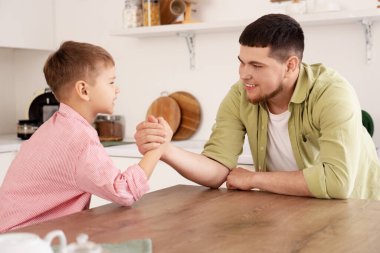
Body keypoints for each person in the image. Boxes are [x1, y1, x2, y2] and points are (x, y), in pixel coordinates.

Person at [135, 14, 380, 200]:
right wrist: (166, 150)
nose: (244, 75)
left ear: (291, 66)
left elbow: (336, 182)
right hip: (289, 207)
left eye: (257, 66)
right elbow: (217, 168)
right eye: (241, 63)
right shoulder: (240, 95)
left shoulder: (332, 92)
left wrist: (254, 178)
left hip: (358, 211)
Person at [0, 41, 172, 232]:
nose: (117, 89)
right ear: (83, 90)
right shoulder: (79, 138)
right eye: (111, 82)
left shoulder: (56, 127)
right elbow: (124, 191)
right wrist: (158, 148)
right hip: (26, 241)